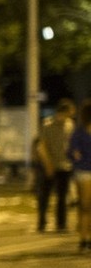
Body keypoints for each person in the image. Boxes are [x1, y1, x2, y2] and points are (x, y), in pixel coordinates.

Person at [36, 99, 75, 234]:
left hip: (65, 166)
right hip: (50, 165)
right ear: (61, 112)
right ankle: (41, 223)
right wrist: (48, 165)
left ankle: (61, 224)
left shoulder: (70, 125)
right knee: (45, 196)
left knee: (62, 197)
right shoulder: (48, 125)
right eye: (67, 114)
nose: (68, 117)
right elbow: (41, 146)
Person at [70, 100, 91, 251]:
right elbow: (72, 152)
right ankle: (84, 238)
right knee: (85, 206)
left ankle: (85, 237)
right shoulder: (79, 132)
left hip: (83, 170)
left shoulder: (79, 132)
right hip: (84, 172)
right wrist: (76, 155)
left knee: (86, 207)